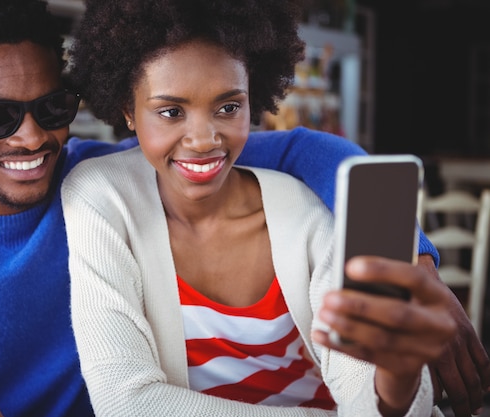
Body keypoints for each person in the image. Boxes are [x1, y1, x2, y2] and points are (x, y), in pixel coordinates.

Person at [0, 0, 485, 416]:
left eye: (52, 109)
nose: (30, 138)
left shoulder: (97, 173)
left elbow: (305, 151)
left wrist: (417, 263)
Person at [61, 1, 462, 416]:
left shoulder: (306, 214)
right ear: (128, 110)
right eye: (171, 112)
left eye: (228, 107)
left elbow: (373, 398)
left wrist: (397, 380)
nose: (203, 139)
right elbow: (126, 403)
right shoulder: (101, 197)